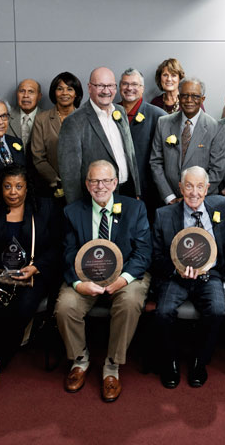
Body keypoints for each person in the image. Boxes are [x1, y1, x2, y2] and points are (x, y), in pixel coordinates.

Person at [55, 160, 152, 402]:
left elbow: (143, 253)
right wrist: (79, 284)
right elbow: (68, 254)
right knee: (65, 307)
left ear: (115, 183)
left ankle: (112, 365)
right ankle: (80, 359)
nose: (101, 186)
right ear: (87, 184)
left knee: (130, 303)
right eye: (95, 181)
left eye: (106, 180)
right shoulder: (72, 212)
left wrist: (123, 279)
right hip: (85, 278)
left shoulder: (134, 209)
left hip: (126, 276)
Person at [0, 164, 62, 393]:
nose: (13, 192)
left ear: (27, 188)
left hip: (32, 275)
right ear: (0, 189)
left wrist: (37, 267)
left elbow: (58, 247)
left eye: (19, 186)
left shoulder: (45, 209)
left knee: (22, 308)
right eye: (8, 186)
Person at [152, 167, 225, 388]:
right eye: (189, 186)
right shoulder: (163, 215)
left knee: (217, 311)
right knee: (162, 312)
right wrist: (174, 269)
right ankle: (171, 362)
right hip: (176, 276)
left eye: (199, 187)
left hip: (211, 275)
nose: (194, 192)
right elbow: (156, 256)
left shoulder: (222, 207)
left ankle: (199, 360)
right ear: (180, 188)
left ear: (207, 189)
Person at [57, 67, 140, 202]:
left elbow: (130, 154)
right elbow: (69, 174)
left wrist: (136, 191)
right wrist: (77, 209)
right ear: (90, 87)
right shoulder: (74, 122)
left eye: (110, 86)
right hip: (94, 198)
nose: (106, 91)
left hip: (127, 192)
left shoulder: (120, 112)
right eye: (100, 86)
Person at [149, 77, 225, 204]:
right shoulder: (163, 123)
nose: (189, 100)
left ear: (202, 99)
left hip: (202, 200)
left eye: (195, 96)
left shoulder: (216, 128)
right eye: (185, 96)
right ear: (179, 98)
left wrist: (192, 197)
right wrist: (169, 197)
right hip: (169, 201)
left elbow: (217, 171)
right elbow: (155, 163)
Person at [118, 68, 166, 212]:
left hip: (149, 192)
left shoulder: (158, 116)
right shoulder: (109, 113)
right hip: (116, 190)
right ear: (119, 87)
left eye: (134, 84)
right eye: (125, 84)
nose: (129, 88)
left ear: (142, 88)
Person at [30, 71, 81, 199]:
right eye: (60, 89)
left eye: (70, 89)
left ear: (76, 94)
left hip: (83, 185)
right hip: (53, 188)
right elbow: (38, 157)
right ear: (54, 92)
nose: (64, 93)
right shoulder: (41, 119)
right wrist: (56, 181)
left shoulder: (85, 118)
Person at [6, 78, 42, 148]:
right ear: (17, 94)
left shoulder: (47, 118)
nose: (26, 95)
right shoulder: (5, 116)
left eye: (31, 92)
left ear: (39, 96)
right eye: (22, 91)